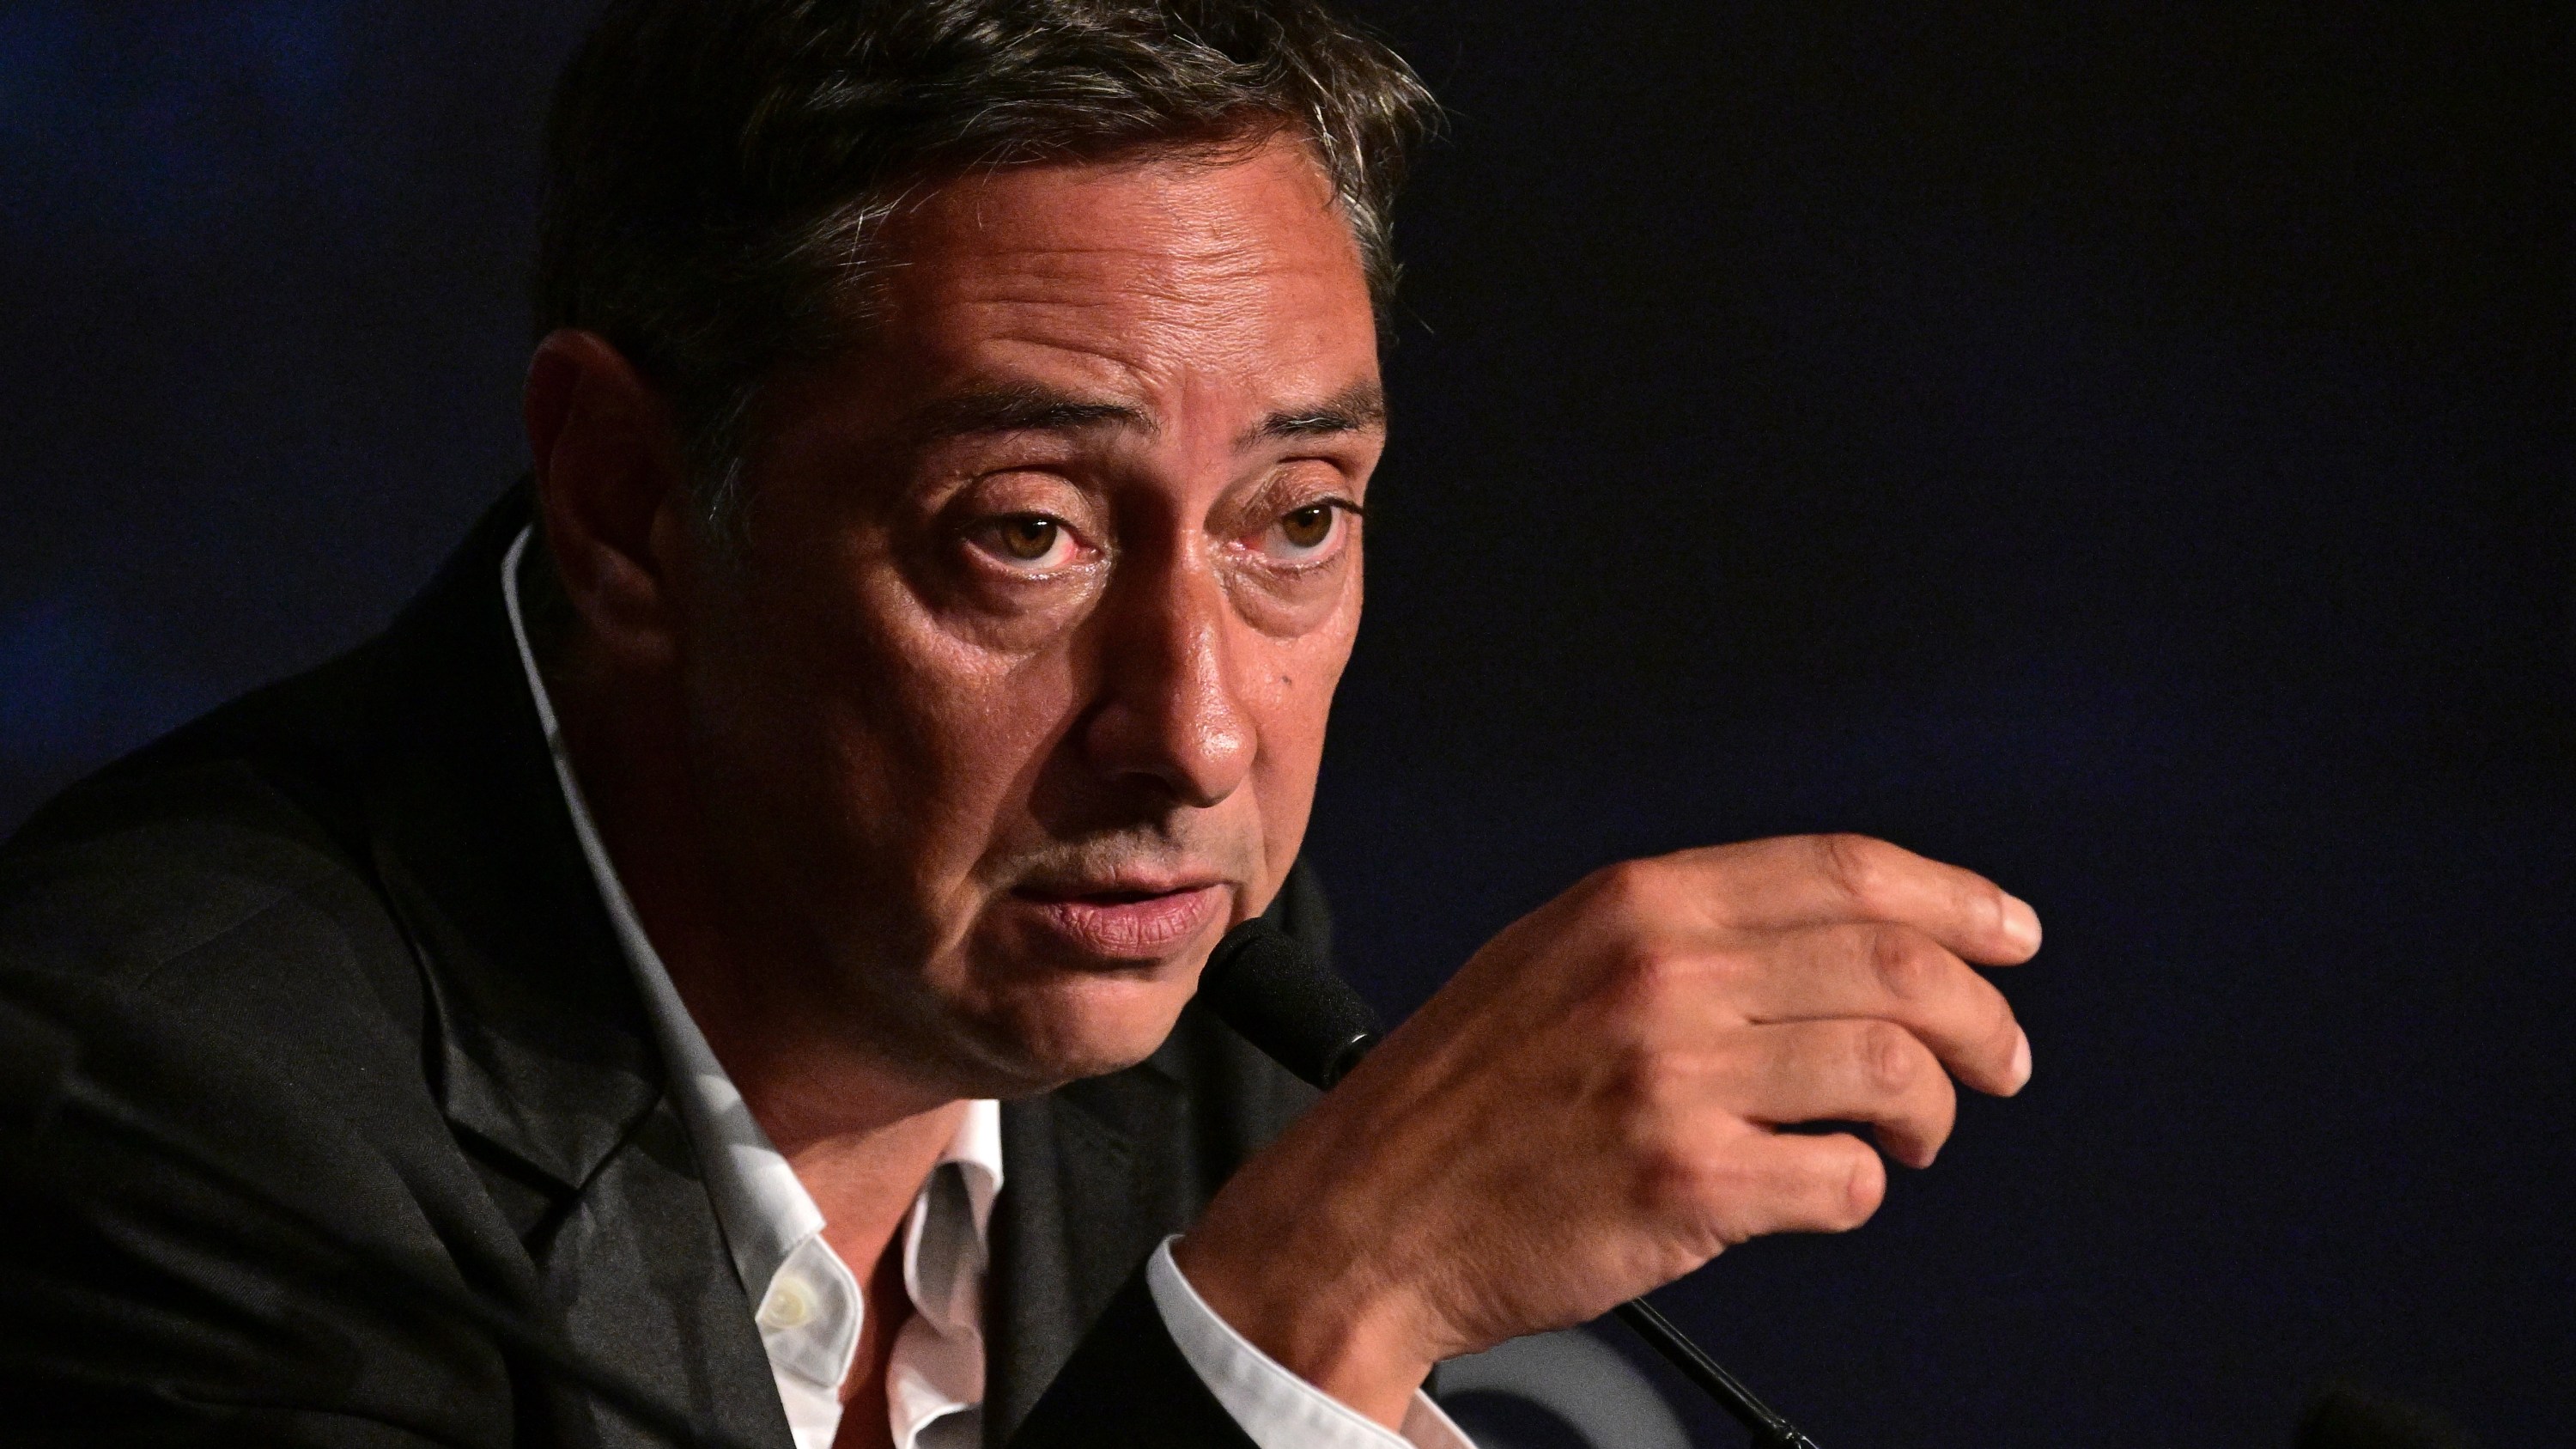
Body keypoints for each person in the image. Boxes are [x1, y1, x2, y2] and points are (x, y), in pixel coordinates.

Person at [0, 1, 2041, 1446]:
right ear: (627, 499)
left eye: (1296, 523)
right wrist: (1303, 1318)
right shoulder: (156, 1122)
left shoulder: (1188, 1001)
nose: (1195, 736)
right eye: (1029, 534)